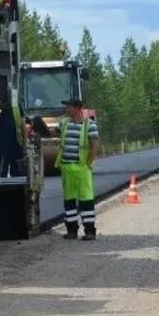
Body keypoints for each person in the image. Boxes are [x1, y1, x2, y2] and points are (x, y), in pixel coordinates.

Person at [56, 97, 100, 240]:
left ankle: (89, 231)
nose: (66, 109)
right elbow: (52, 133)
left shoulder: (90, 125)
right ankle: (72, 230)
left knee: (85, 200)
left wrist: (88, 163)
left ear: (77, 108)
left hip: (82, 169)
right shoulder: (64, 123)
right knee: (68, 200)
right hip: (67, 168)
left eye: (69, 107)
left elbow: (94, 145)